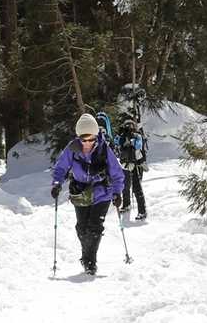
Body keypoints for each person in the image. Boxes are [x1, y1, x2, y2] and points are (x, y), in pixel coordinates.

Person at [50, 113, 126, 275]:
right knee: (81, 228)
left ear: (96, 136)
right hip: (80, 192)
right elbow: (61, 167)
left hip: (102, 192)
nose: (87, 143)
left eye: (91, 139)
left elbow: (117, 172)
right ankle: (86, 256)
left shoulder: (104, 149)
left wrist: (117, 192)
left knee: (94, 228)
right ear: (79, 138)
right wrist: (57, 183)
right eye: (84, 140)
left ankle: (90, 262)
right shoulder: (72, 148)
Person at [119, 114, 149, 220]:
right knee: (125, 186)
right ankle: (127, 205)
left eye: (130, 125)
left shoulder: (137, 136)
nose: (129, 127)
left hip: (135, 165)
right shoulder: (123, 137)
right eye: (127, 125)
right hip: (126, 164)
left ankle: (142, 211)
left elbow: (138, 148)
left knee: (136, 188)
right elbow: (120, 148)